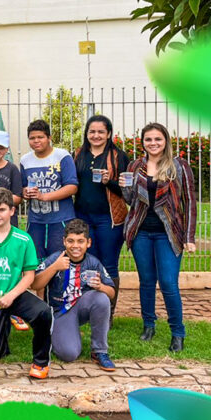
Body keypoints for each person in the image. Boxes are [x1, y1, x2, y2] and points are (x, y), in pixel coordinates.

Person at [121, 122, 196, 352]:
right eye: (148, 140)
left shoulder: (179, 166)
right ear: (143, 142)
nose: (153, 143)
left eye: (158, 139)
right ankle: (148, 325)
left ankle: (178, 332)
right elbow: (130, 199)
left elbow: (190, 202)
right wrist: (124, 186)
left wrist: (189, 236)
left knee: (168, 283)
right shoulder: (136, 166)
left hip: (169, 233)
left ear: (166, 141)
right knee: (146, 282)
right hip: (141, 232)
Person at [0, 188, 53, 379]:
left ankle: (40, 363)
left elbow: (29, 276)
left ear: (12, 211)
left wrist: (11, 295)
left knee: (44, 312)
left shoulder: (23, 239)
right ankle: (4, 322)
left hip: (14, 294)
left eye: (1, 209)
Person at [32, 219, 116, 371]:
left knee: (101, 298)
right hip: (59, 312)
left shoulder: (93, 262)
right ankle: (59, 333)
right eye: (70, 241)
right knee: (69, 354)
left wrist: (101, 286)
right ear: (64, 241)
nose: (75, 246)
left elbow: (111, 292)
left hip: (81, 307)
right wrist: (54, 268)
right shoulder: (56, 258)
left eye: (80, 241)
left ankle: (100, 351)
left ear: (88, 243)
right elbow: (35, 284)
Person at [72, 115, 129, 324]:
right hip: (83, 217)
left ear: (108, 134)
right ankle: (90, 311)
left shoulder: (118, 156)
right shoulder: (78, 154)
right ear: (87, 134)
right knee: (88, 263)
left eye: (100, 132)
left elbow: (127, 191)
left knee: (109, 265)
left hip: (109, 219)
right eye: (92, 132)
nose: (96, 136)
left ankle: (108, 314)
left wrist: (109, 181)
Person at [20, 119, 79, 261]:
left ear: (49, 138)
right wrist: (25, 193)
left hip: (61, 219)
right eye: (32, 138)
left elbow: (72, 187)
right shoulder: (25, 160)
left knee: (61, 260)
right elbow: (22, 188)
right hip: (36, 220)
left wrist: (44, 196)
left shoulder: (62, 156)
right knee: (35, 260)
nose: (36, 141)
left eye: (40, 137)